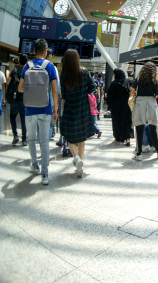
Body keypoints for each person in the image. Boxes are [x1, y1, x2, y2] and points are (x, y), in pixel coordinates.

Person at [18, 39, 58, 185]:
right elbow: (54, 89)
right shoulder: (50, 67)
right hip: (45, 109)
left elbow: (20, 88)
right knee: (44, 142)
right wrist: (55, 109)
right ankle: (45, 173)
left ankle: (34, 164)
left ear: (34, 51)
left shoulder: (26, 66)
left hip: (29, 110)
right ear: (46, 52)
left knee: (31, 139)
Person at [59, 49, 96, 177]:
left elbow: (63, 94)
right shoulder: (84, 72)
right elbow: (93, 87)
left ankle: (77, 159)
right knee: (81, 139)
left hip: (70, 109)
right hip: (83, 109)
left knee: (70, 138)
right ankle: (80, 164)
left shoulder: (63, 75)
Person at [131, 62, 158, 161]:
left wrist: (137, 94)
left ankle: (139, 153)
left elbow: (132, 89)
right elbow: (157, 94)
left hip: (140, 102)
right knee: (153, 128)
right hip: (151, 103)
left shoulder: (139, 79)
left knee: (139, 128)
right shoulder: (154, 81)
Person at [106, 68, 134, 145]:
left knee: (117, 122)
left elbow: (109, 96)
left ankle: (119, 137)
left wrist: (109, 104)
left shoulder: (113, 84)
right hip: (126, 106)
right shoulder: (127, 82)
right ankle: (127, 138)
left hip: (116, 107)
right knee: (127, 121)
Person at [8, 55, 27, 145]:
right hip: (24, 99)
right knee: (23, 119)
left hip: (15, 99)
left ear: (19, 62)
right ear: (26, 63)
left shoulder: (14, 71)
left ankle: (15, 135)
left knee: (12, 117)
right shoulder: (27, 72)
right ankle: (24, 139)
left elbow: (8, 82)